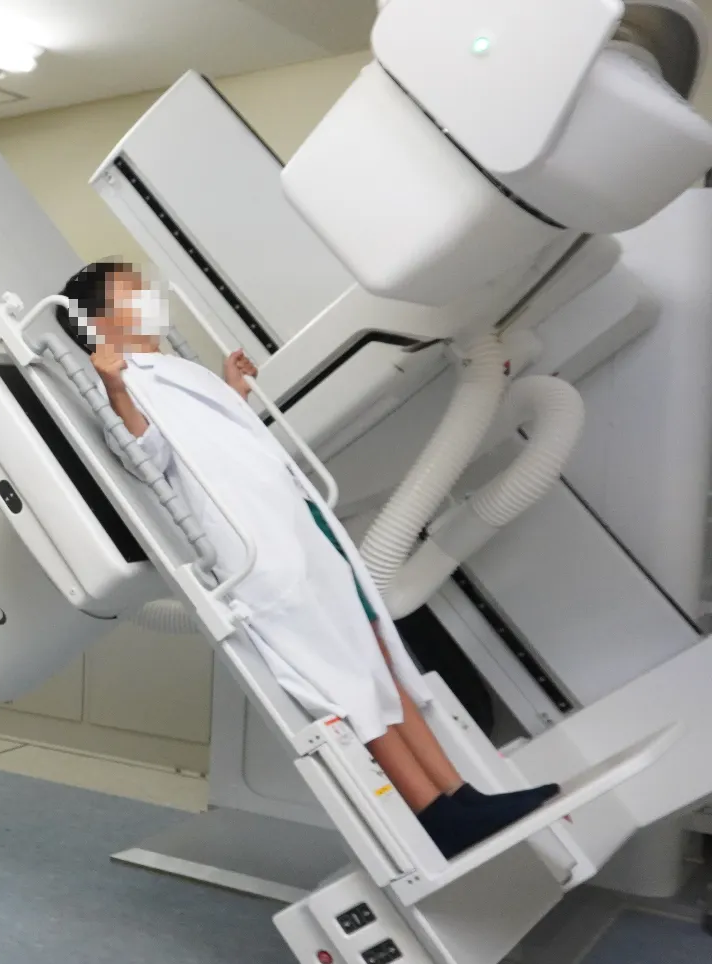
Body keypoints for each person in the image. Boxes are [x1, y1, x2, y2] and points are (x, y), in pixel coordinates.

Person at [59, 261, 559, 858]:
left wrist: (233, 390)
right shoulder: (128, 382)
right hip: (258, 549)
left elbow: (221, 439)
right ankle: (433, 813)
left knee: (378, 658)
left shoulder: (175, 369)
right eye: (133, 292)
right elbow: (146, 457)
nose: (149, 298)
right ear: (101, 321)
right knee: (345, 682)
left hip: (294, 525)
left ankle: (462, 795)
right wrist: (115, 388)